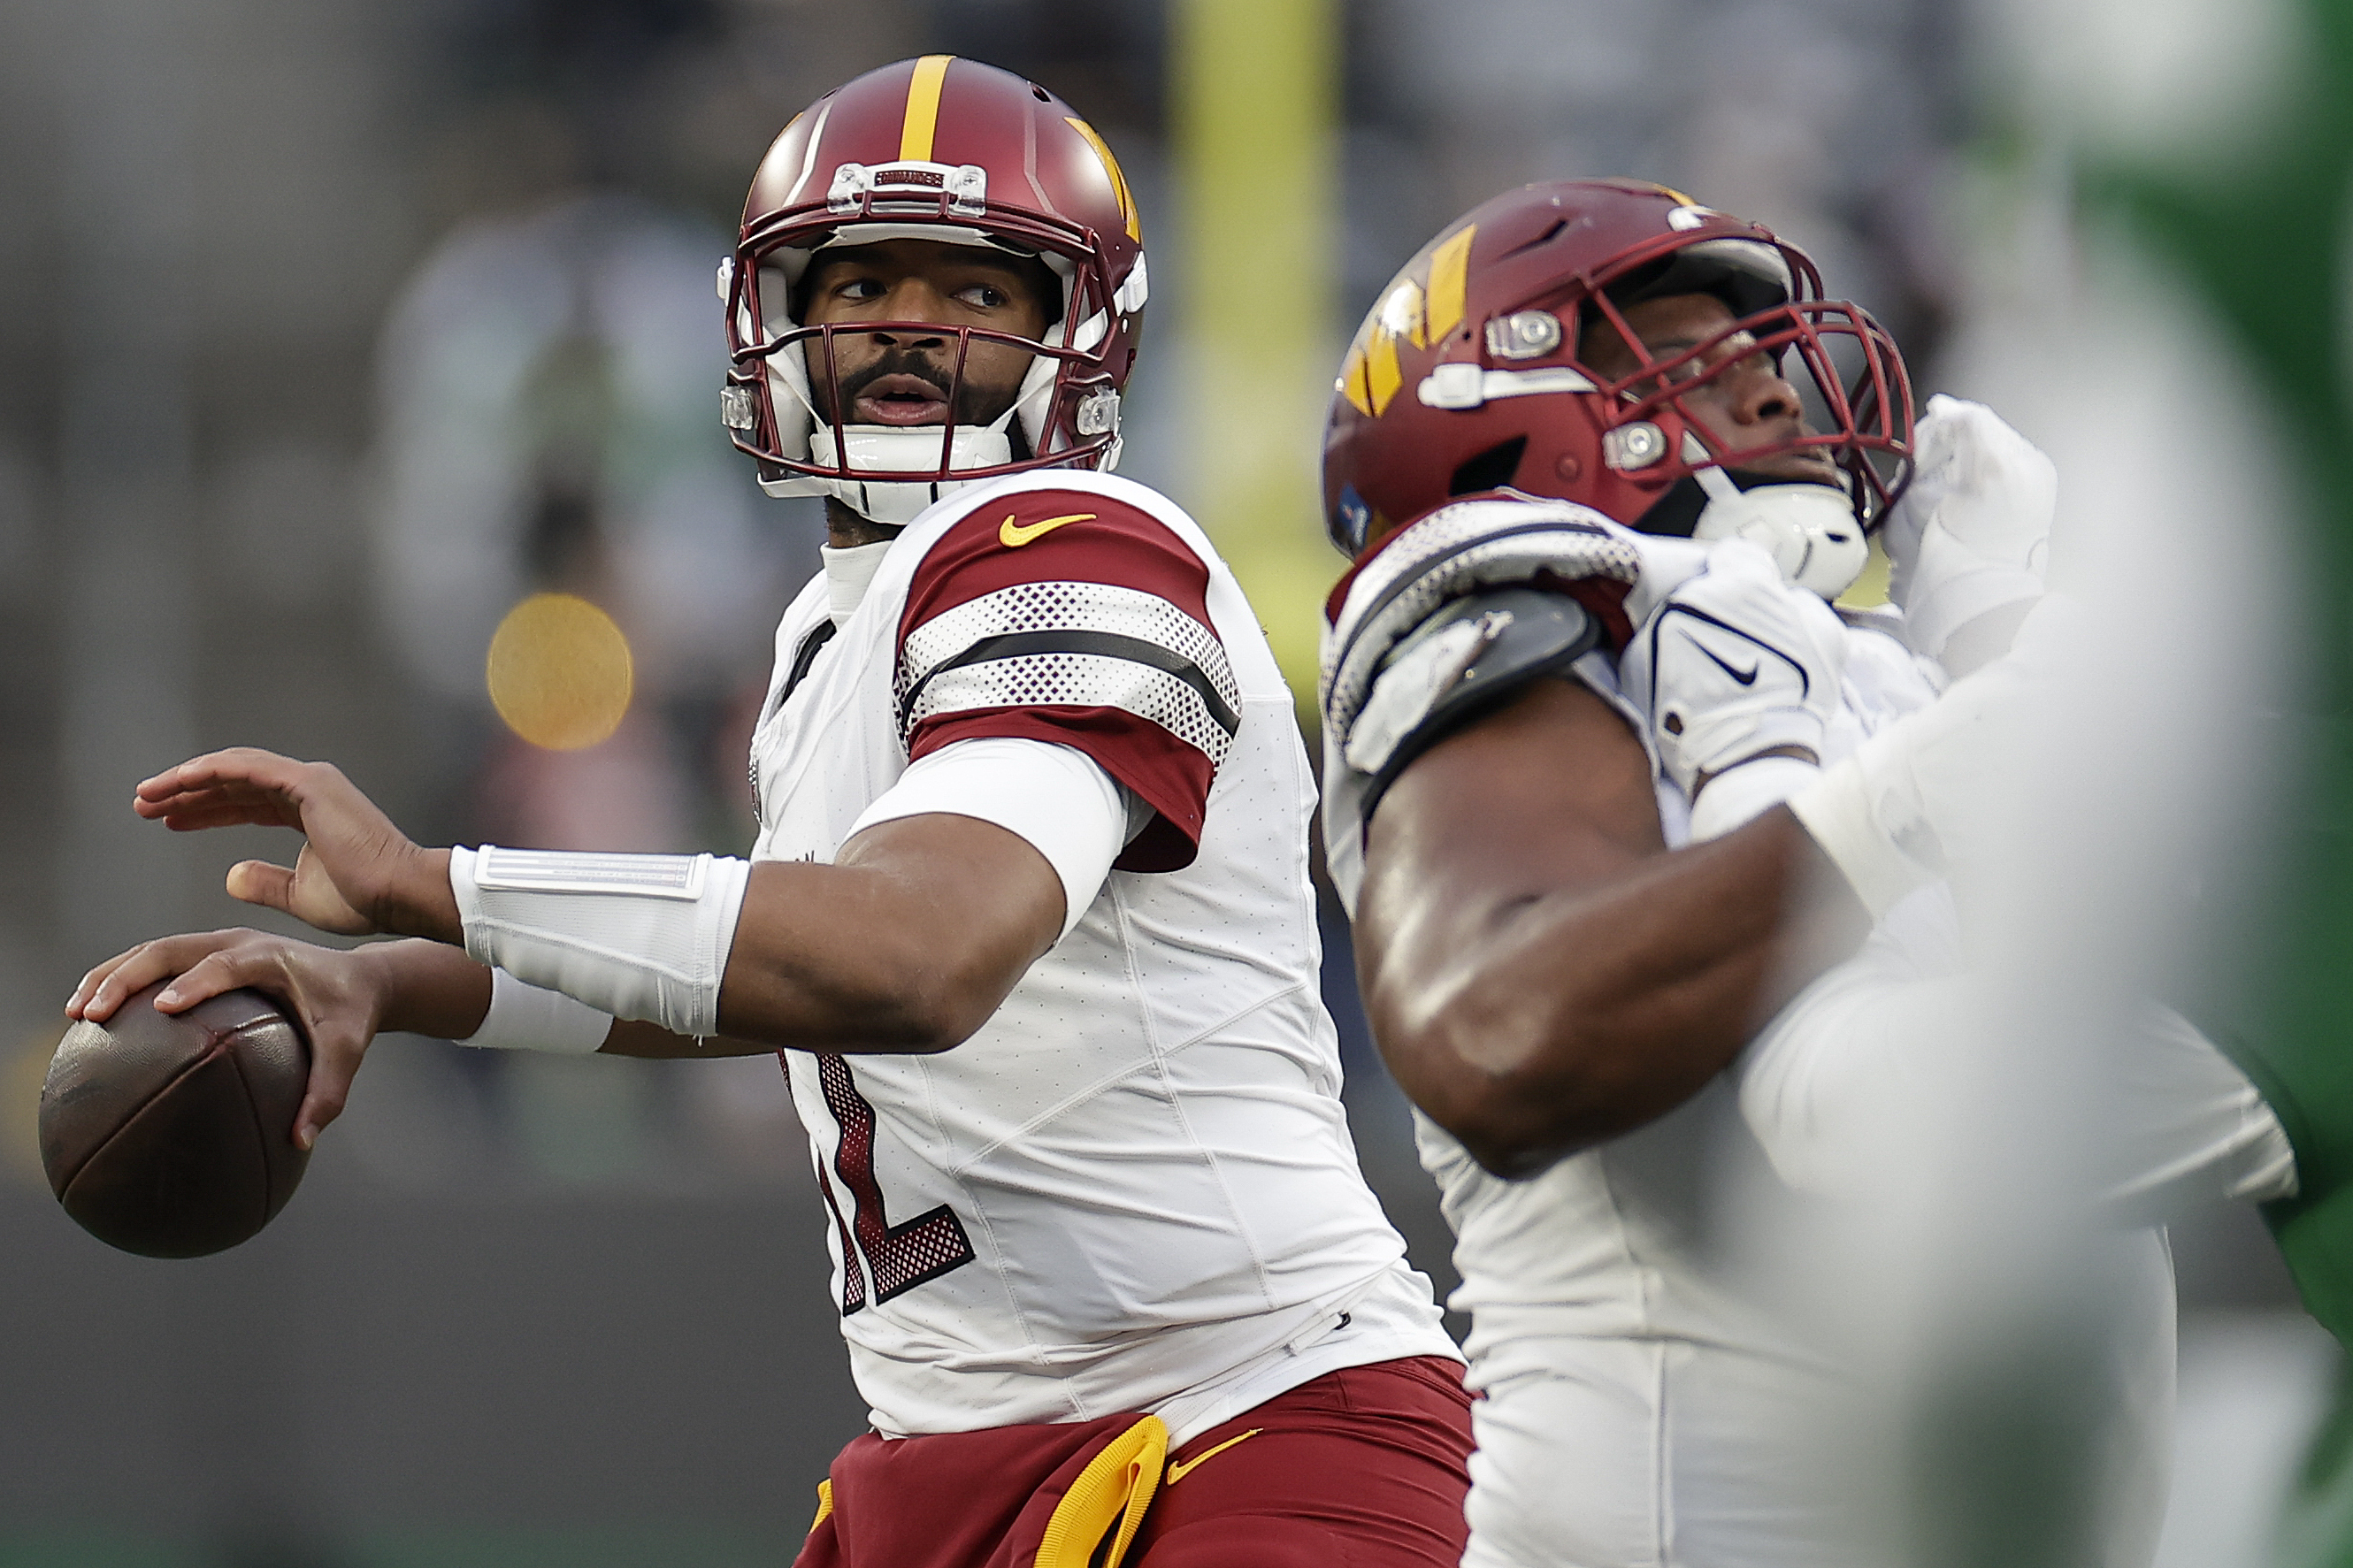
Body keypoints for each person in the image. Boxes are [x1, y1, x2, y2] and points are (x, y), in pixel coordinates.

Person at [69, 57, 1470, 1568]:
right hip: (950, 1454)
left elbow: (913, 960)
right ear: (769, 317)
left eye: (981, 295)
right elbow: (782, 968)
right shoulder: (830, 628)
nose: (911, 331)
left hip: (1238, 1429)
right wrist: (385, 983)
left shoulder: (1086, 549)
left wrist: (438, 883)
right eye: (862, 282)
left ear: (1079, 334)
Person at [1312, 178, 2296, 1566]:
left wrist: (1996, 637)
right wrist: (1897, 797)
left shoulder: (1865, 669)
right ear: (1492, 413)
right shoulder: (1548, 606)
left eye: (1764, 352)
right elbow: (1496, 1031)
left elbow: (2094, 1012)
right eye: (1668, 343)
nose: (1771, 388)